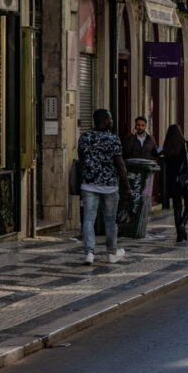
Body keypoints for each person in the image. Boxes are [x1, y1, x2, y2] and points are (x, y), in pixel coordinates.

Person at [78, 109, 132, 265]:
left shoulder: (84, 137)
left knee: (88, 218)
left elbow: (81, 159)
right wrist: (127, 187)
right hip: (109, 185)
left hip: (89, 184)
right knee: (110, 220)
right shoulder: (113, 139)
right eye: (110, 118)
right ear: (104, 120)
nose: (112, 121)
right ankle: (111, 252)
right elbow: (120, 164)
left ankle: (89, 253)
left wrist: (91, 171)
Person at [161, 124, 188, 243]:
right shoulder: (186, 145)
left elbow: (157, 155)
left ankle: (179, 234)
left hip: (172, 182)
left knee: (177, 207)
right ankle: (182, 224)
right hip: (185, 180)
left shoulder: (166, 148)